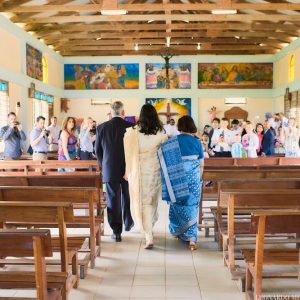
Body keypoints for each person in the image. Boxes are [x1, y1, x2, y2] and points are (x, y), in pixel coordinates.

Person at [124, 104, 167, 249]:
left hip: (138, 171)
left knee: (142, 202)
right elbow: (165, 150)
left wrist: (127, 170)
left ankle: (148, 232)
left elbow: (128, 154)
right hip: (154, 169)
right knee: (151, 201)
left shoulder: (133, 132)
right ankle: (149, 232)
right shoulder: (160, 131)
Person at [158, 116, 204, 251]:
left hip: (176, 180)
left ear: (179, 126)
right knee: (192, 206)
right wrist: (197, 179)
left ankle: (179, 232)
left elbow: (164, 161)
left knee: (177, 204)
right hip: (194, 181)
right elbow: (201, 165)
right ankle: (192, 238)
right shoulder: (197, 142)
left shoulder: (172, 142)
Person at [95, 101, 134, 242]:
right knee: (128, 196)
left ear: (111, 112)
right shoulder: (131, 127)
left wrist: (103, 164)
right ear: (123, 113)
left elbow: (97, 151)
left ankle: (116, 231)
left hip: (109, 168)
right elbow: (133, 151)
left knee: (113, 199)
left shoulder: (101, 128)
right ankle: (128, 222)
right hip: (127, 169)